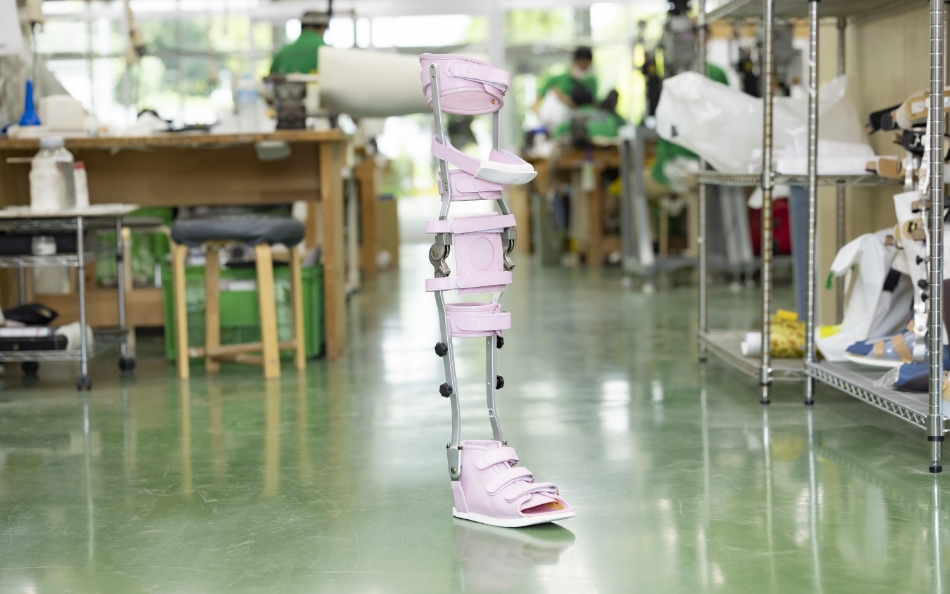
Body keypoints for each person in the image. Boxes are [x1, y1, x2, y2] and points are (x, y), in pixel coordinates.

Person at [534, 46, 598, 112]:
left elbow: (593, 105)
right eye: (581, 66)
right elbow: (535, 105)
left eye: (585, 67)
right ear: (573, 62)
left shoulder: (591, 81)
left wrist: (564, 99)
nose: (583, 70)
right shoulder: (555, 80)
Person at [270, 11, 329, 75]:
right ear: (323, 28)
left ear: (302, 26)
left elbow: (271, 77)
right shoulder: (329, 51)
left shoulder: (281, 53)